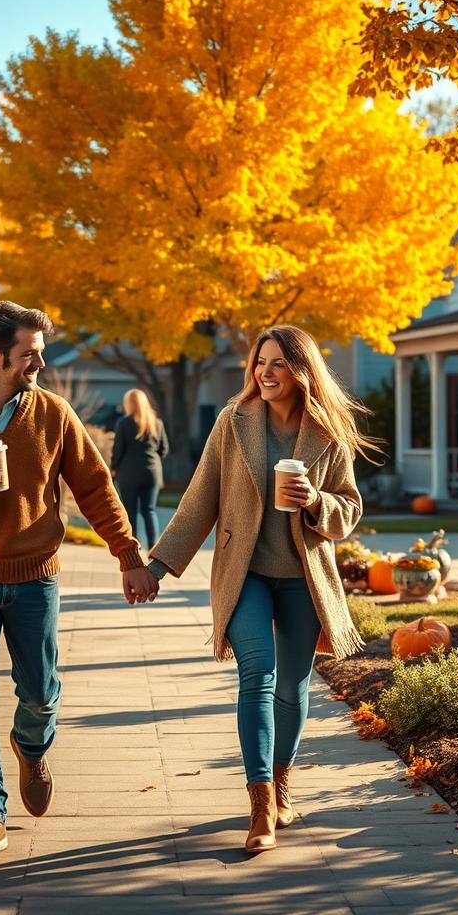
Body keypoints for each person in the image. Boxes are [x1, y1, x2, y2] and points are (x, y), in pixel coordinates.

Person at [0, 301, 158, 863]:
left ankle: (31, 745)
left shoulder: (55, 414)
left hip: (35, 576)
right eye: (31, 355)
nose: (40, 363)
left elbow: (96, 489)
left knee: (40, 692)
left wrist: (129, 554)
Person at [146, 326, 373, 854]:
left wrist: (317, 501)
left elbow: (350, 509)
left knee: (293, 688)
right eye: (259, 362)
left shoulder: (328, 433)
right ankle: (261, 801)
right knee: (258, 673)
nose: (264, 373)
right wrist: (158, 566)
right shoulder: (233, 422)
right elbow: (199, 500)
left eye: (277, 364)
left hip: (303, 578)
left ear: (302, 372)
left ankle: (283, 779)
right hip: (244, 573)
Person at [111, 389, 169, 548]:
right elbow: (163, 450)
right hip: (152, 473)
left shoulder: (124, 423)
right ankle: (153, 547)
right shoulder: (157, 423)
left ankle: (133, 548)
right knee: (149, 510)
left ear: (129, 404)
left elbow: (118, 450)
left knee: (131, 512)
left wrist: (113, 468)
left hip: (128, 473)